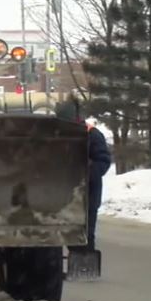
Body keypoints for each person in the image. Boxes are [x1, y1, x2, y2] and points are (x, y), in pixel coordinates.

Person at [55, 100, 112, 250]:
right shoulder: (55, 135)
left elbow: (103, 161)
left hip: (87, 195)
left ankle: (83, 263)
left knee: (84, 235)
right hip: (61, 195)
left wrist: (86, 173)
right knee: (61, 233)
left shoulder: (92, 134)